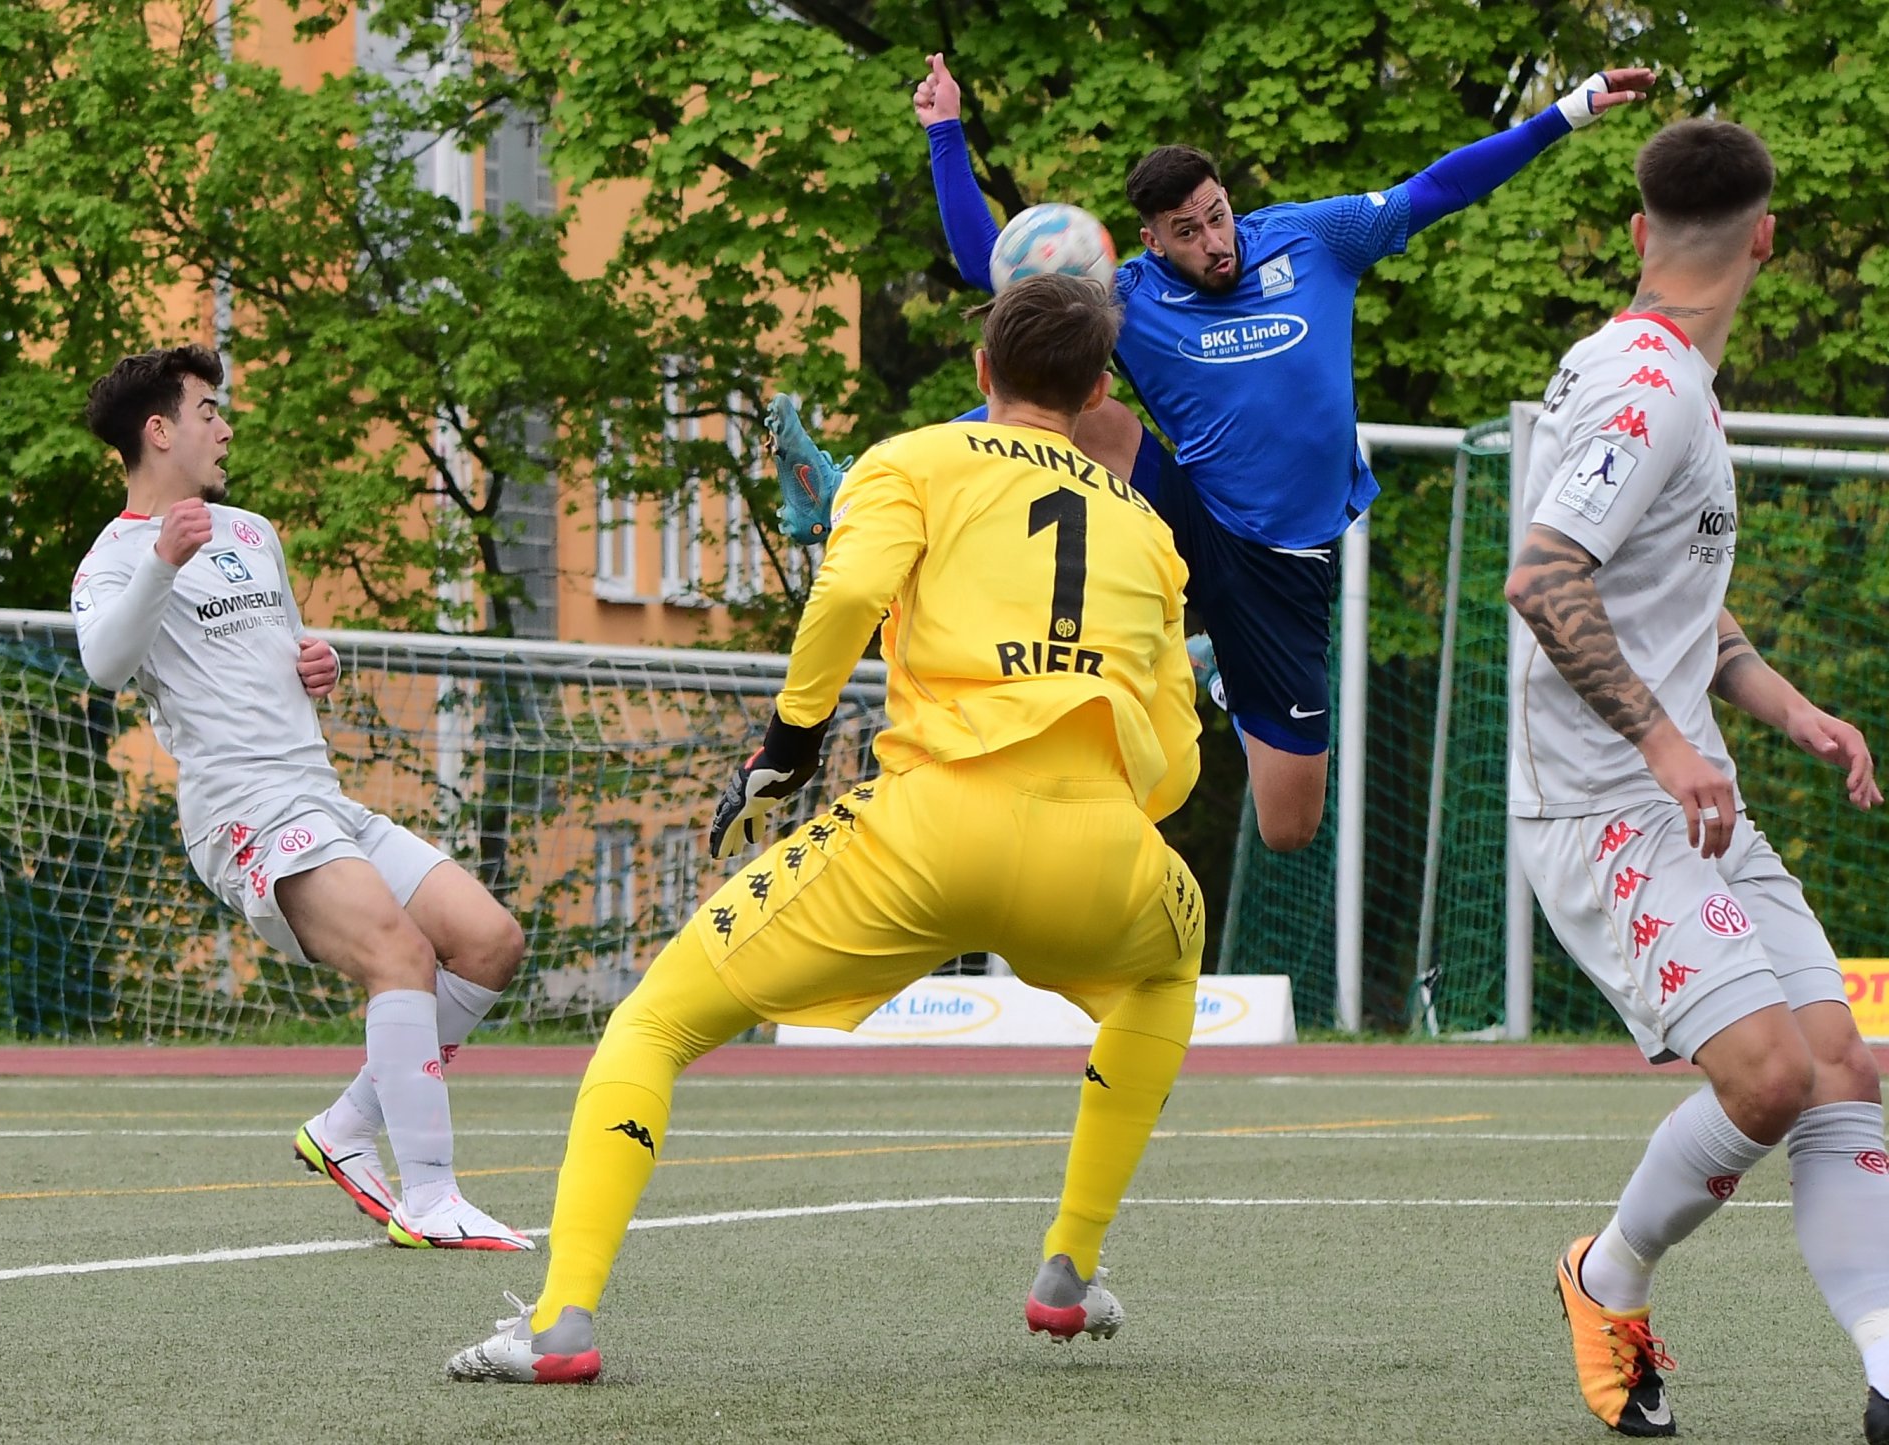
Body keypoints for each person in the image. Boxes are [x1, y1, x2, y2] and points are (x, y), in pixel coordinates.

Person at [445, 274, 1205, 1383]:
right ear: (1098, 393)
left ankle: (562, 1319)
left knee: (652, 1026)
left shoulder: (916, 459)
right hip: (1107, 851)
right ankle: (1069, 1271)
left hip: (927, 831)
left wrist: (786, 749)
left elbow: (847, 597)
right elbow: (1177, 758)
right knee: (1167, 973)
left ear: (980, 371)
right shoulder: (1149, 530)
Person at [871, 54, 1652, 852]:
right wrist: (945, 130)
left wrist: (1572, 109)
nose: (1215, 242)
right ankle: (865, 472)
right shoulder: (1127, 295)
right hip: (1193, 519)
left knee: (1289, 828)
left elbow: (1440, 187)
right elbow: (990, 270)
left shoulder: (1313, 238)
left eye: (1218, 215)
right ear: (1151, 240)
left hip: (1288, 565)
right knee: (1060, 394)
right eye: (1188, 232)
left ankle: (1215, 667)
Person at [1503, 120, 1889, 1442]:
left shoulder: (1661, 377)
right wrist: (1662, 745)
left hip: (1690, 795)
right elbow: (1545, 576)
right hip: (1610, 809)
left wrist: (1787, 709)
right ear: (1767, 239)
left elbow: (1667, 604)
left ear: (1637, 235)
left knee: (1842, 1066)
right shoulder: (1648, 387)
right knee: (1773, 1076)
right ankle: (1602, 1279)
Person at [72, 345, 533, 1252]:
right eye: (209, 409)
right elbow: (104, 665)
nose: (225, 425)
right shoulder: (114, 560)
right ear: (159, 430)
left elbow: (277, 647)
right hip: (243, 816)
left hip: (319, 796)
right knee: (399, 954)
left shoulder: (252, 532)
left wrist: (311, 662)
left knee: (488, 942)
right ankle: (429, 1199)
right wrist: (162, 562)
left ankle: (343, 1128)